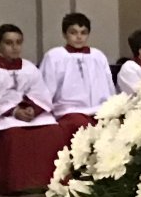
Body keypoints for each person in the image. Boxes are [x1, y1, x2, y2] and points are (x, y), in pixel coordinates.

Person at [0, 24, 66, 195]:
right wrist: (14, 111)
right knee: (15, 134)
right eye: (9, 43)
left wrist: (32, 109)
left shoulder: (29, 67)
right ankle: (16, 185)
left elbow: (40, 93)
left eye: (18, 42)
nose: (15, 47)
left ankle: (51, 183)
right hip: (0, 115)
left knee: (53, 131)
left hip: (25, 113)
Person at [38, 11, 114, 143]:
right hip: (69, 111)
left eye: (83, 33)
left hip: (99, 110)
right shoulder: (55, 56)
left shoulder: (98, 56)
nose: (79, 37)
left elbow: (109, 85)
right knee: (83, 128)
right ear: (64, 34)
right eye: (73, 33)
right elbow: (46, 88)